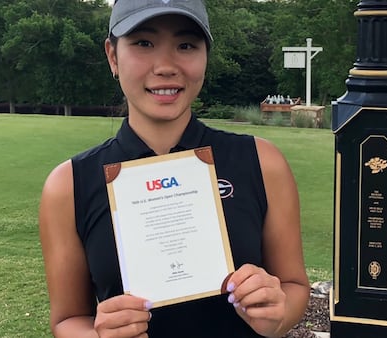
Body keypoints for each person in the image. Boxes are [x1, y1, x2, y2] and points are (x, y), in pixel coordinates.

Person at [38, 0, 310, 337]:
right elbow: (67, 319)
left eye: (186, 45)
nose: (166, 66)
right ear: (112, 56)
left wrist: (277, 312)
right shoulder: (68, 185)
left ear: (205, 57)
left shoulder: (262, 162)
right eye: (143, 43)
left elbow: (294, 285)